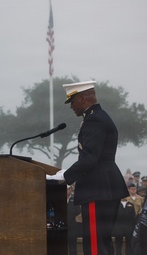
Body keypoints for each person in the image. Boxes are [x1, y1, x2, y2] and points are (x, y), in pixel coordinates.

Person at [60, 81, 129, 255]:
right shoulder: (99, 116)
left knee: (95, 246)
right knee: (102, 243)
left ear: (83, 99)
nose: (71, 107)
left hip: (96, 188)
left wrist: (64, 177)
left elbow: (89, 158)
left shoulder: (94, 120)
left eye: (72, 102)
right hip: (104, 186)